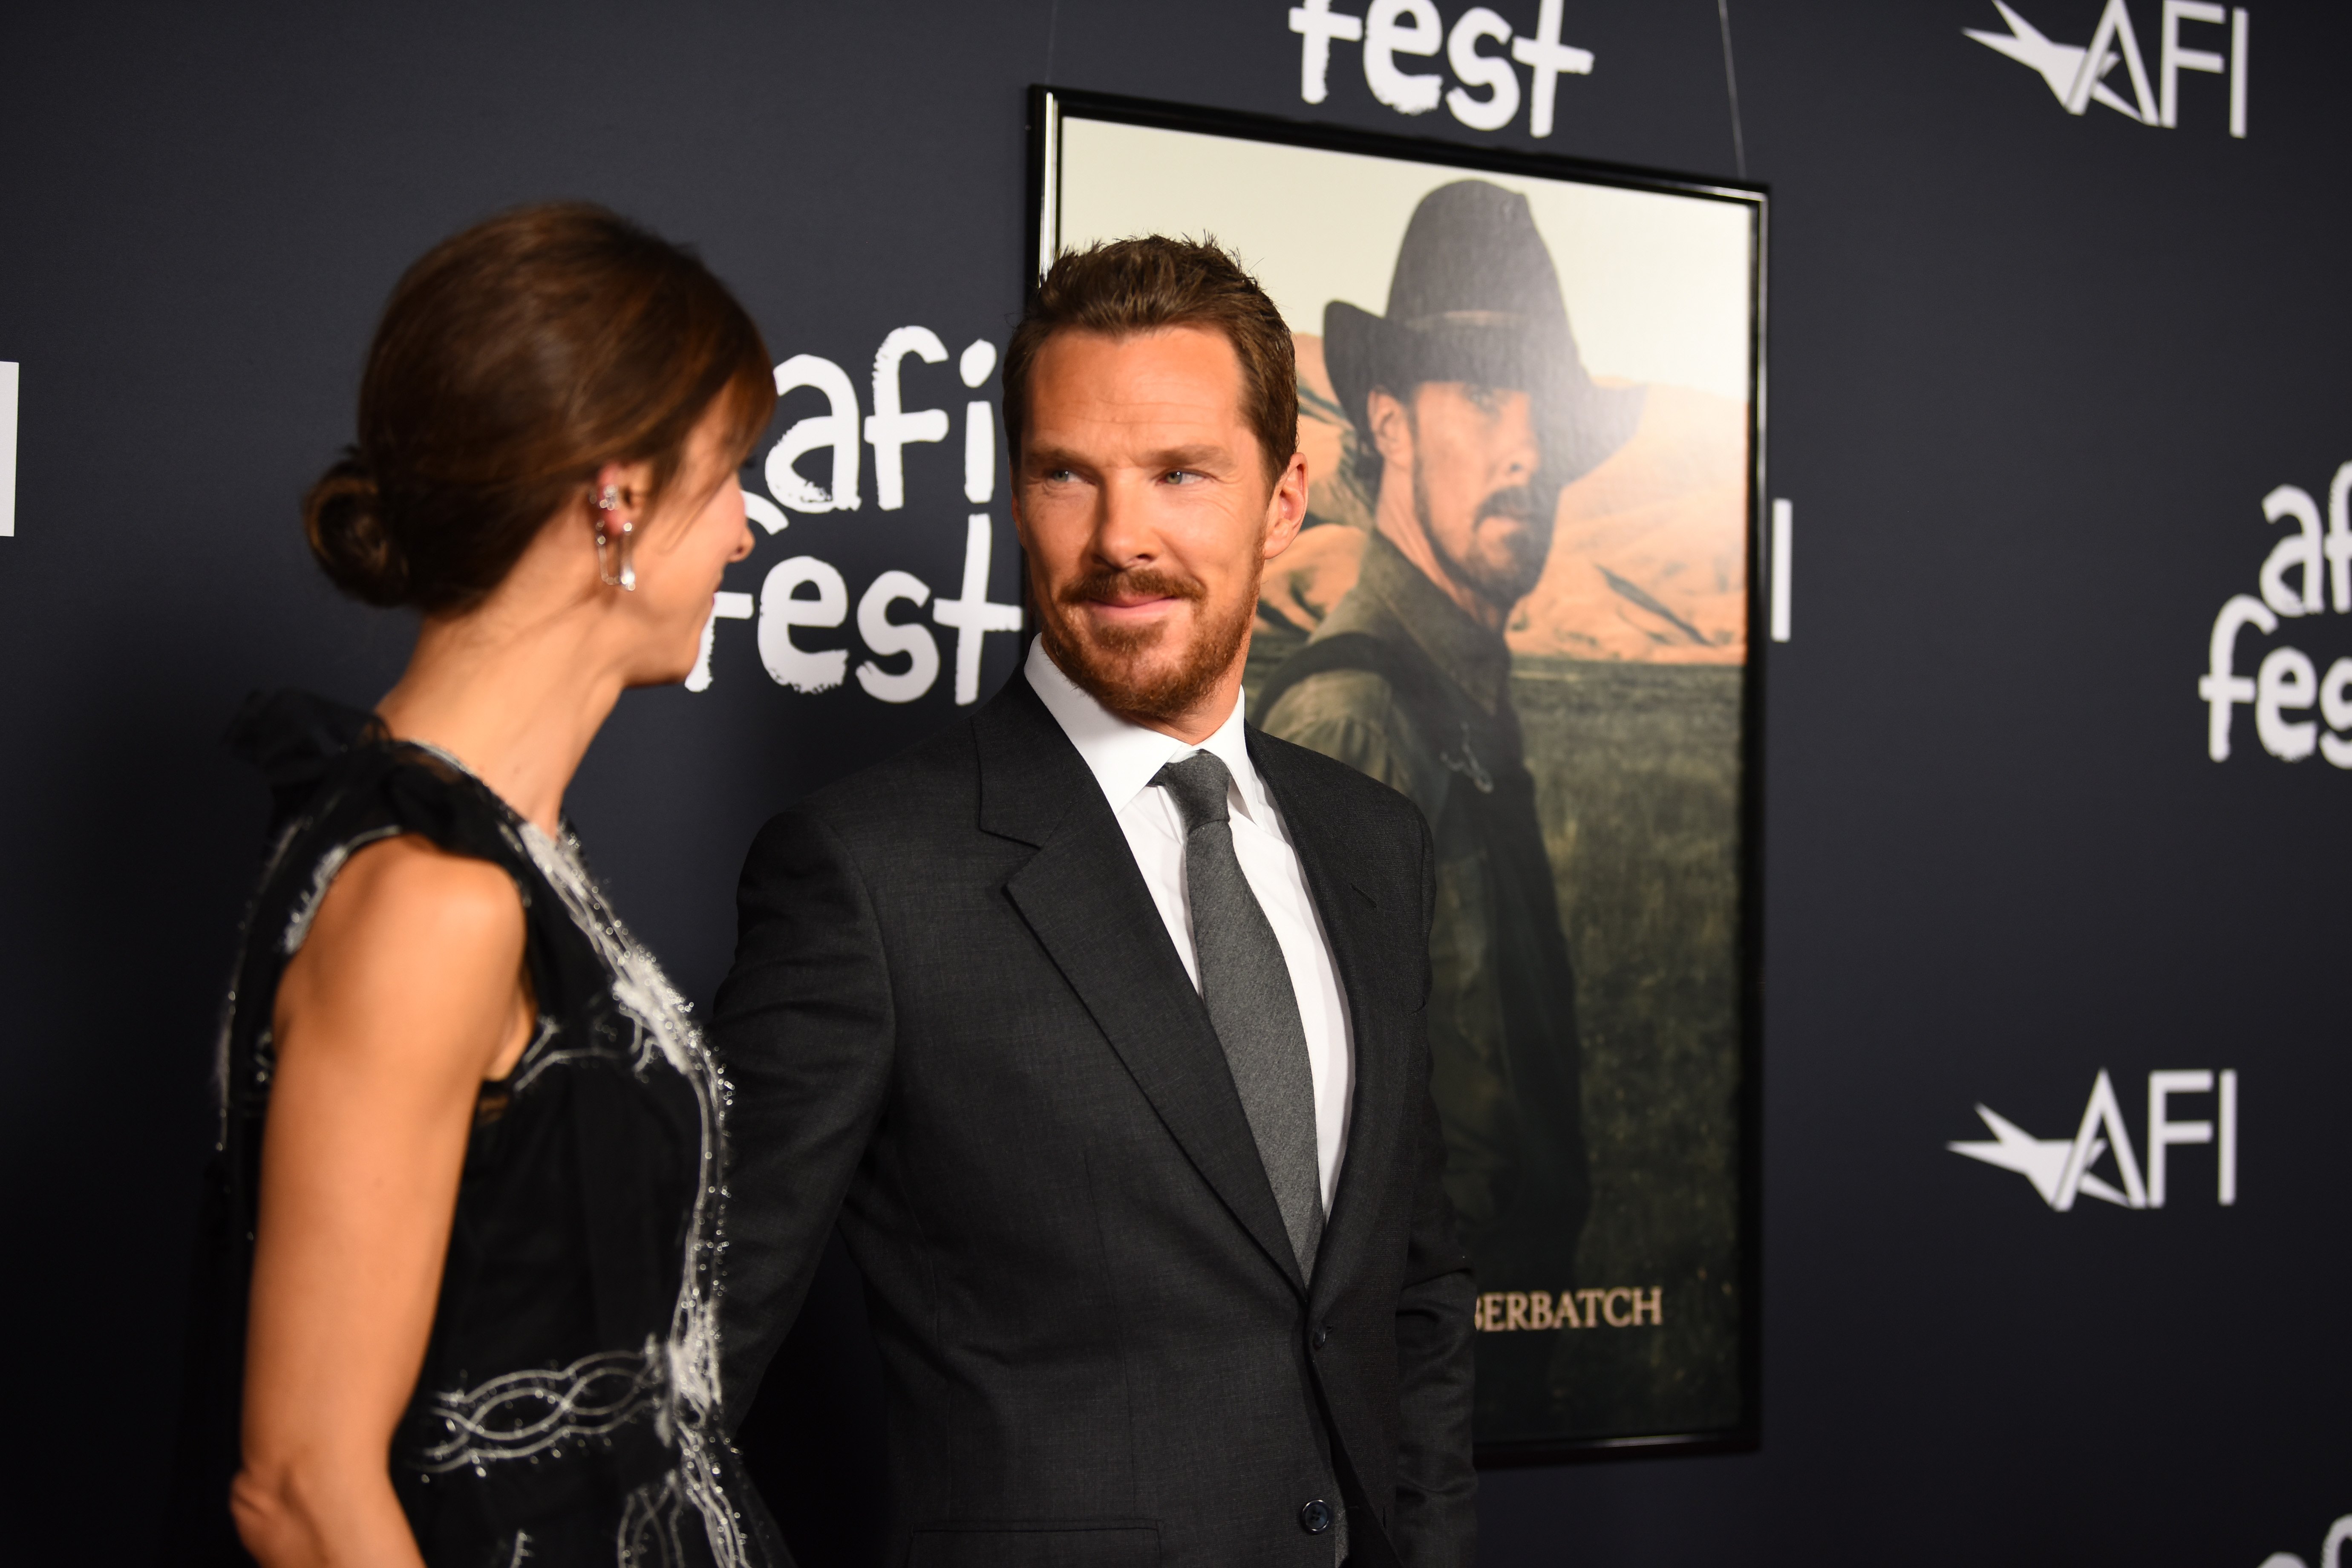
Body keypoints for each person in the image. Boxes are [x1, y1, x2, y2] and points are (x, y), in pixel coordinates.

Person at [714, 236, 1476, 1567]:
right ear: (1016, 497)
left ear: (1285, 496)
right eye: (1069, 475)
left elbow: (1412, 1297)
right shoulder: (866, 877)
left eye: (1182, 474)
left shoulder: (1378, 845)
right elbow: (671, 1382)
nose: (1122, 538)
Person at [174, 204, 787, 1567]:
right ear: (616, 498)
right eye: (730, 470)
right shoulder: (429, 900)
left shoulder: (495, 856)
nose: (747, 533)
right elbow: (304, 1489)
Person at [1257, 181, 1641, 1425]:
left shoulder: (1463, 701)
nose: (1524, 447)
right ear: (1390, 422)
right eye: (1482, 394)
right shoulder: (1356, 722)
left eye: (1539, 406)